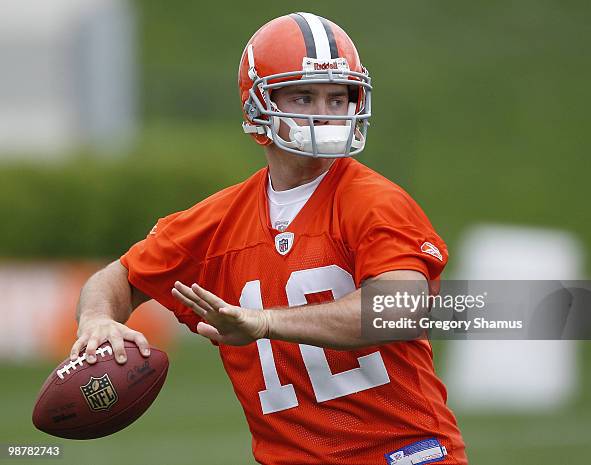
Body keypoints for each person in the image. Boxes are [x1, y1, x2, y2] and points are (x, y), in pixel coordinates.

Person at [71, 12, 467, 465]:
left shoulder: (376, 202)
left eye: (338, 98)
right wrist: (97, 320)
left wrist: (264, 322)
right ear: (257, 106)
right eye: (304, 96)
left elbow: (399, 309)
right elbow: (118, 276)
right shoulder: (218, 220)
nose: (325, 113)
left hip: (403, 456)